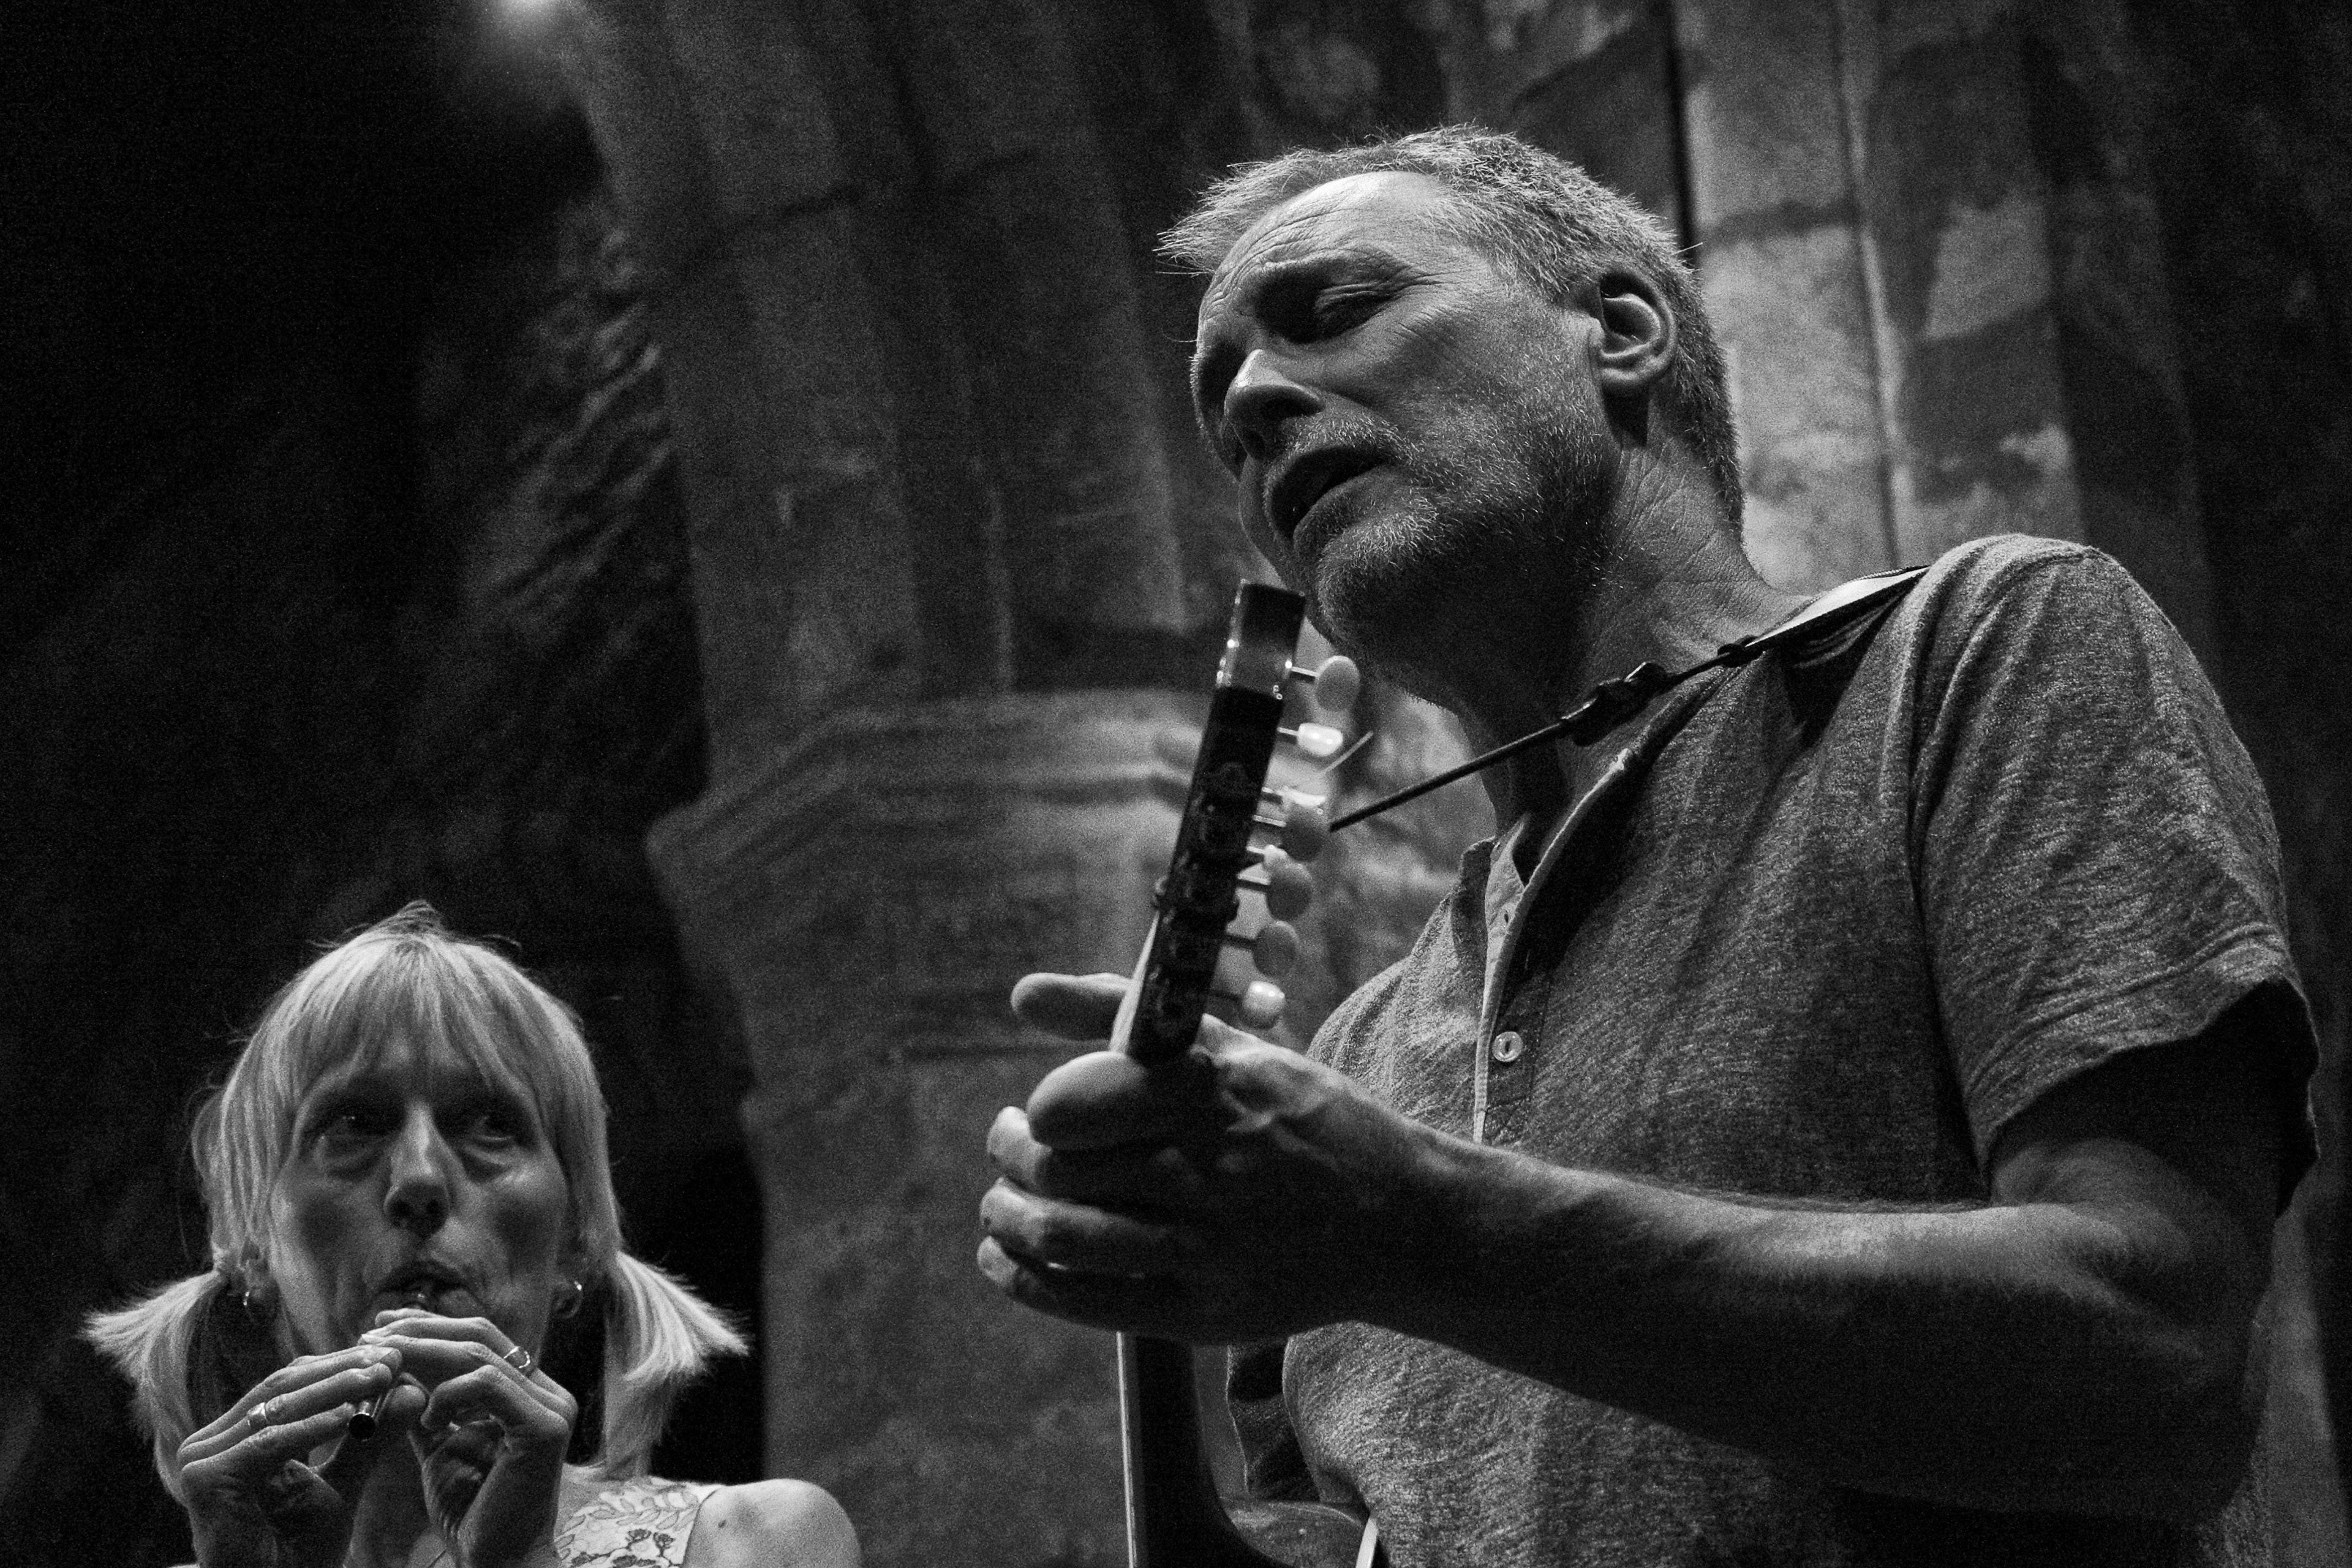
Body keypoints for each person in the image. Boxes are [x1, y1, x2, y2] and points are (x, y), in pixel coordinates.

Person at [976, 126, 2316, 1566]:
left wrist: (1418, 1224)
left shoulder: (1972, 651)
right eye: (1220, 413)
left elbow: (2159, 1356)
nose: (1250, 403)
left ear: (1619, 330)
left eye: (1333, 308)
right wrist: (1146, 1308)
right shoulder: (1357, 1056)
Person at [88, 904, 858, 1568]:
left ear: (576, 1238)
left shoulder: (752, 1542)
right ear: (253, 1240)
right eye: (354, 1122)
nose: (420, 1178)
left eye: (491, 1123)